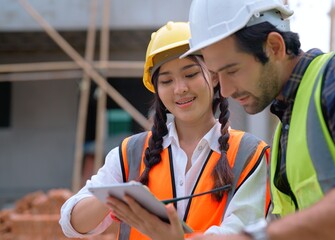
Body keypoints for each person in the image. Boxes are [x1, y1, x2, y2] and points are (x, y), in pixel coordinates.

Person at [179, 0, 335, 239]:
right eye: (216, 74)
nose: (225, 90)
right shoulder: (288, 124)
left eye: (232, 70)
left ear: (274, 47)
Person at [59, 21, 270, 240]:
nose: (180, 89)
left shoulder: (249, 154)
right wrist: (116, 197)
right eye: (167, 80)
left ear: (214, 76)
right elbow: (71, 223)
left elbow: (241, 232)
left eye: (190, 74)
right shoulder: (131, 153)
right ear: (157, 89)